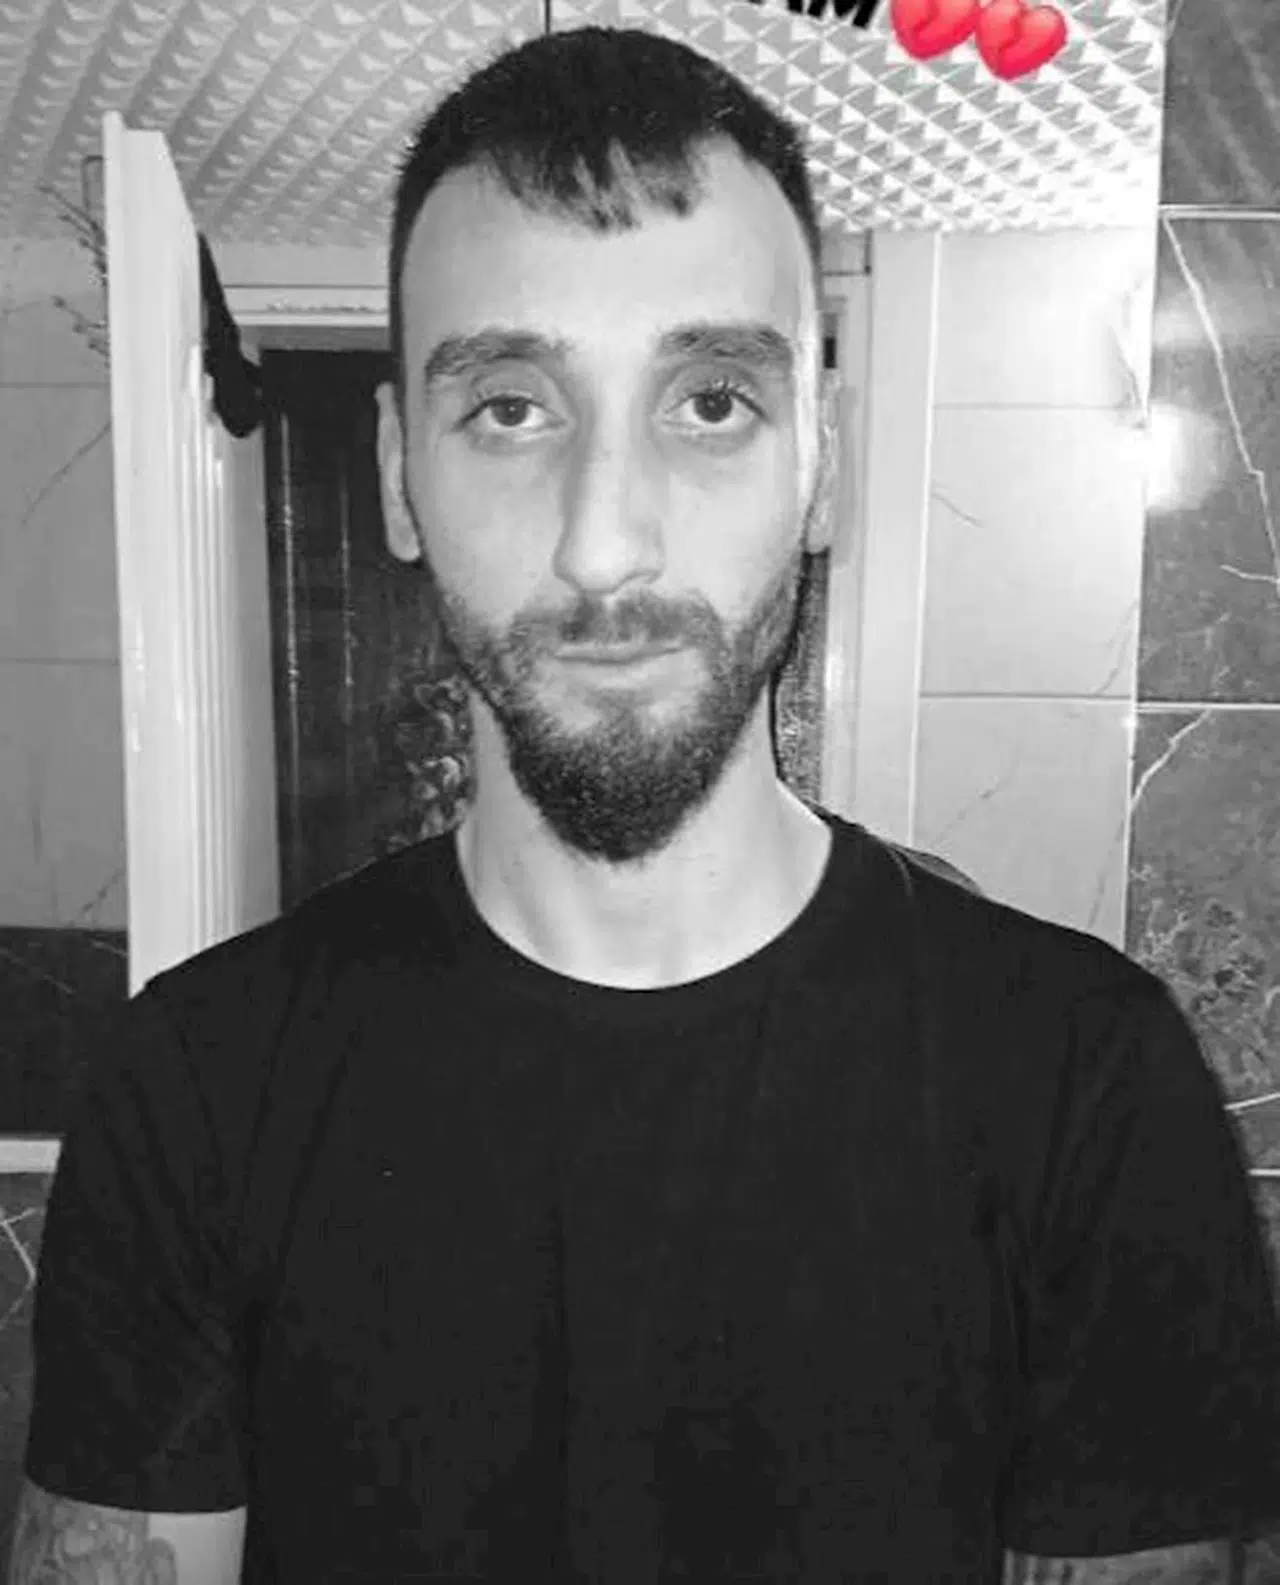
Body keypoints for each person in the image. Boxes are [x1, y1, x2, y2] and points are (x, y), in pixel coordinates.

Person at [13, 24, 1280, 1585]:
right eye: (510, 408)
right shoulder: (194, 1090)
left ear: (822, 464)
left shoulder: (1088, 1087)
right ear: (400, 473)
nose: (604, 545)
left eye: (712, 401)